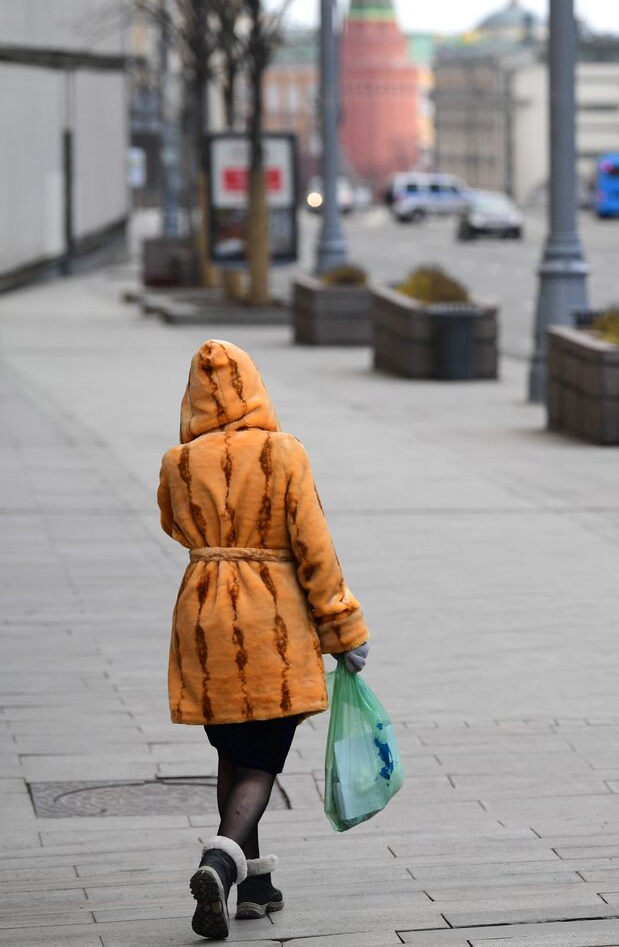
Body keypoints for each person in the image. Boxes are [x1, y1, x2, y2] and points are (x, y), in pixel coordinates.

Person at [158, 339, 371, 940]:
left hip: (202, 612)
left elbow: (173, 523)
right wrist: (343, 629)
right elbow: (315, 548)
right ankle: (222, 860)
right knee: (264, 755)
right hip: (269, 617)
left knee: (233, 747)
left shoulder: (179, 460)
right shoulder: (282, 453)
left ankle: (252, 886)